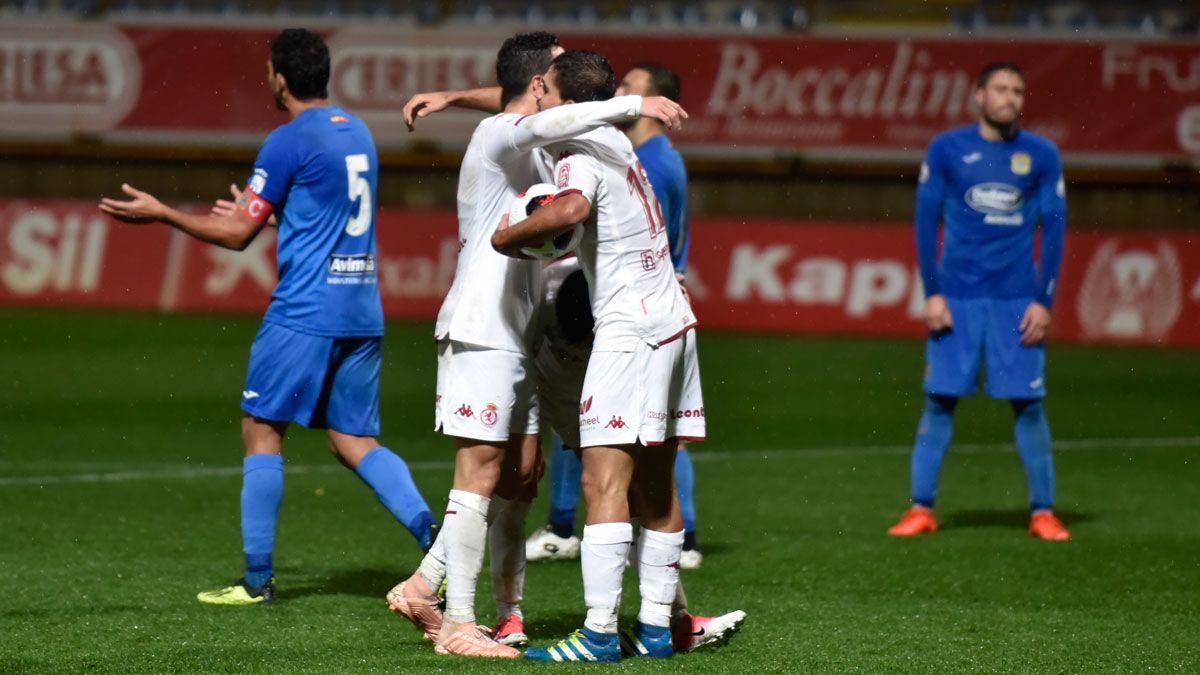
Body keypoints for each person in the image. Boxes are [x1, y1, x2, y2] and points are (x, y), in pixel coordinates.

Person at [98, 29, 436, 605]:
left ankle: (257, 581)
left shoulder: (286, 141)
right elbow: (328, 215)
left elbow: (235, 234)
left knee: (261, 430)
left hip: (305, 309)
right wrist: (280, 217)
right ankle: (442, 547)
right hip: (362, 310)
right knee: (354, 439)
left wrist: (162, 213)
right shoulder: (356, 132)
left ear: (279, 78)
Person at [382, 33, 687, 659]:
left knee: (520, 474)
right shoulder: (501, 134)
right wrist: (634, 105)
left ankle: (431, 587)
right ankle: (460, 622)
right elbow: (549, 107)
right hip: (482, 326)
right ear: (542, 86)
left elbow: (541, 101)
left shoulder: (545, 134)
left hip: (526, 330)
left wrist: (449, 93)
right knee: (484, 469)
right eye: (555, 71)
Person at [491, 50, 704, 662]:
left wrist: (509, 237)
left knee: (601, 478)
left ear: (564, 101)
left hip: (630, 329)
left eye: (547, 95)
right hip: (673, 322)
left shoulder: (580, 151)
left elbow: (572, 211)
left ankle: (601, 633)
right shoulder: (617, 140)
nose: (540, 105)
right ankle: (659, 630)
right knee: (658, 486)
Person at [526, 62, 704, 569]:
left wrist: (513, 239)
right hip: (656, 308)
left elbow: (626, 233)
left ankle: (660, 545)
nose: (619, 94)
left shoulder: (649, 160)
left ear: (656, 102)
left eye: (630, 89)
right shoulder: (631, 149)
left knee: (621, 431)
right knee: (641, 432)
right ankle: (660, 595)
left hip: (637, 310)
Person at [887, 62, 1069, 541]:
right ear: (979, 95)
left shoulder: (1042, 154)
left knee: (1028, 405)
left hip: (1015, 300)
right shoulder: (947, 149)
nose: (1011, 97)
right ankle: (921, 509)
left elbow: (1054, 228)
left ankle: (1043, 512)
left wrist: (1043, 299)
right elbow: (926, 223)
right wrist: (933, 293)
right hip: (958, 297)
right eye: (1002, 89)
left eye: (1018, 90)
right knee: (940, 402)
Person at [532, 256, 745, 656]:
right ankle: (664, 627)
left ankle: (622, 632)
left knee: (620, 486)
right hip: (650, 335)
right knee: (634, 487)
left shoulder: (585, 250)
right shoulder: (552, 294)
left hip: (637, 342)